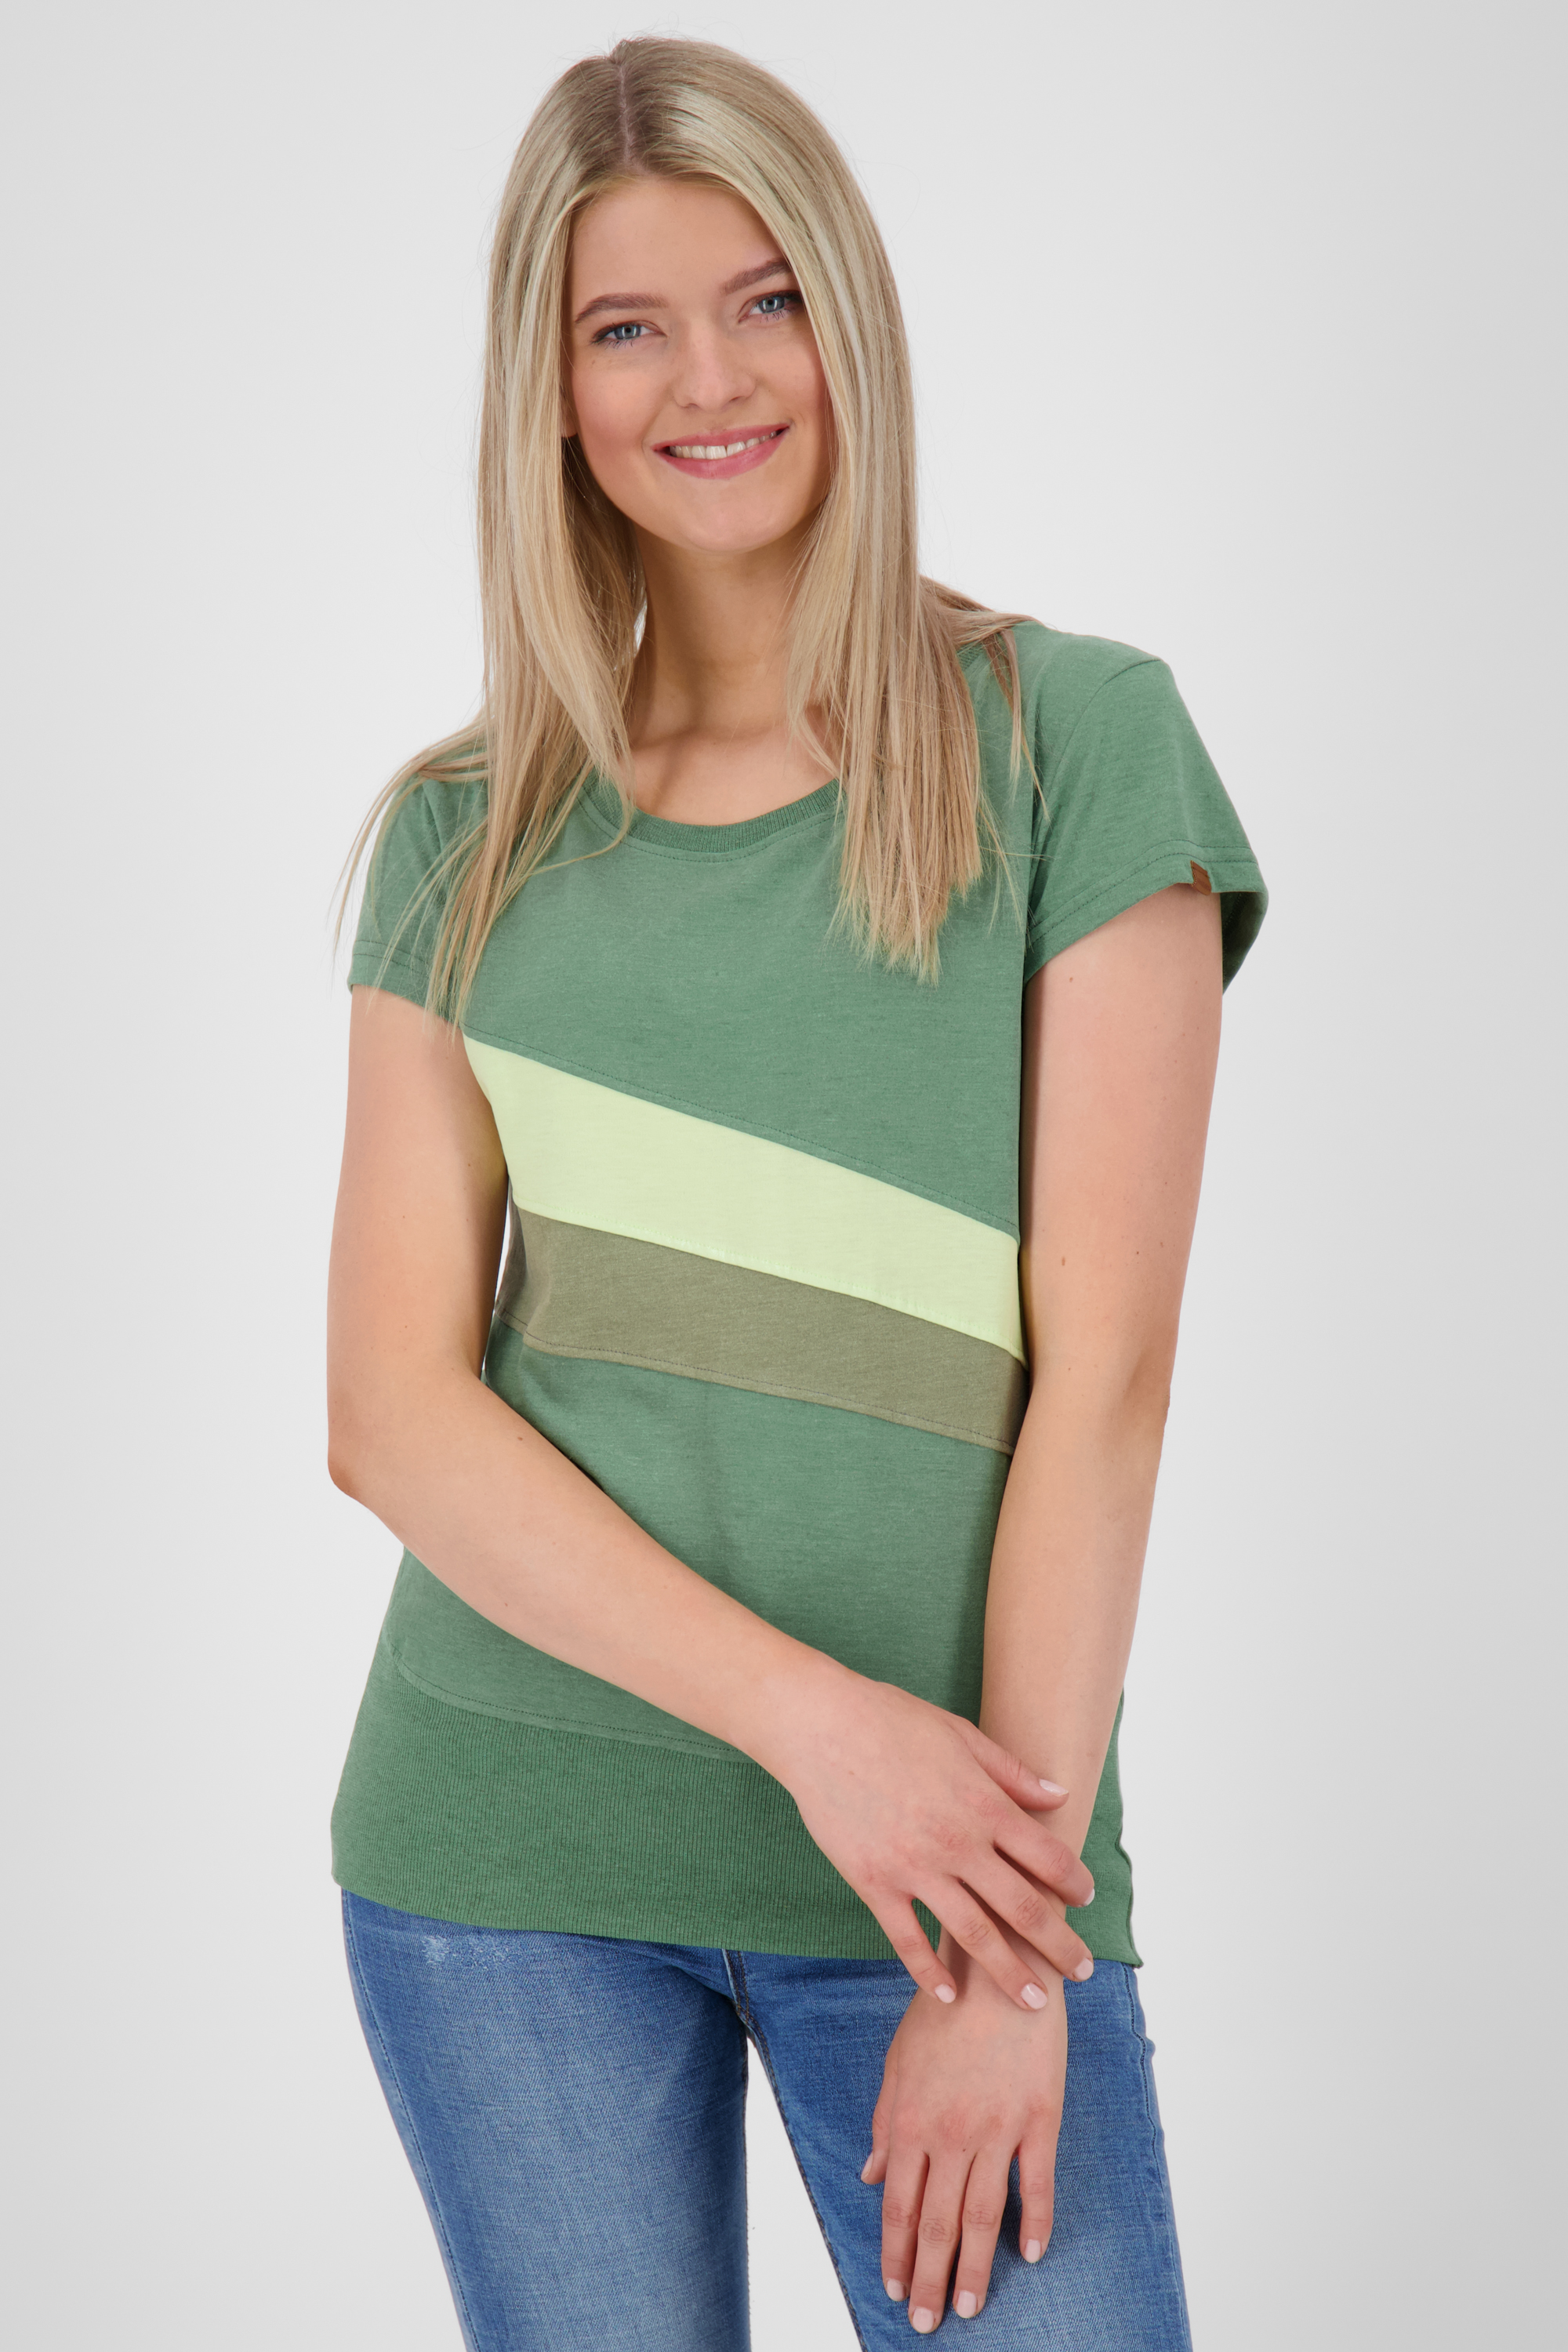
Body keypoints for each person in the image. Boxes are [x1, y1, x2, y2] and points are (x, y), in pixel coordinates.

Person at [325, 35, 1265, 2350]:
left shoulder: (1076, 744)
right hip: (512, 1855)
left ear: (854, 318)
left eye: (766, 302)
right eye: (626, 326)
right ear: (548, 388)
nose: (711, 381)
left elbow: (1108, 1383)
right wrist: (827, 1737)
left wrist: (1005, 1951)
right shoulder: (466, 835)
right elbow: (390, 1413)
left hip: (965, 1881)